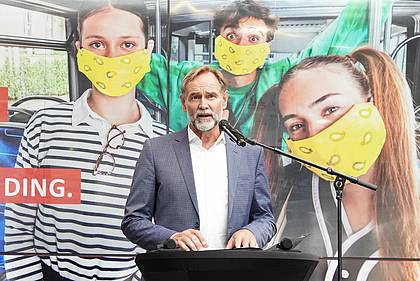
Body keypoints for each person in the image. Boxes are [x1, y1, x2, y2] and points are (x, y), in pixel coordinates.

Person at [4, 1, 166, 280]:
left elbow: (160, 232)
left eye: (127, 45)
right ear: (79, 50)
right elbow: (19, 221)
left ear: (147, 51)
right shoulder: (43, 125)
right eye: (97, 45)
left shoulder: (164, 142)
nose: (112, 57)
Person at [252, 47, 420, 281]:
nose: (317, 132)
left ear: (371, 101)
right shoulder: (284, 193)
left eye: (330, 109)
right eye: (297, 126)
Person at [137, 0, 393, 137]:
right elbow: (124, 58)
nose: (241, 44)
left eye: (253, 38)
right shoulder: (188, 79)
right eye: (231, 35)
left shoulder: (283, 78)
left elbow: (347, 30)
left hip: (266, 195)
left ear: (266, 45)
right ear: (216, 40)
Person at [122, 66, 276, 251]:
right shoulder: (156, 150)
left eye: (211, 96)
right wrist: (171, 238)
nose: (204, 105)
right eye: (195, 97)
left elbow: (265, 219)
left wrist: (252, 232)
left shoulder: (249, 153)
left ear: (224, 100)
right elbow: (133, 221)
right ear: (183, 103)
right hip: (177, 270)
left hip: (233, 269)